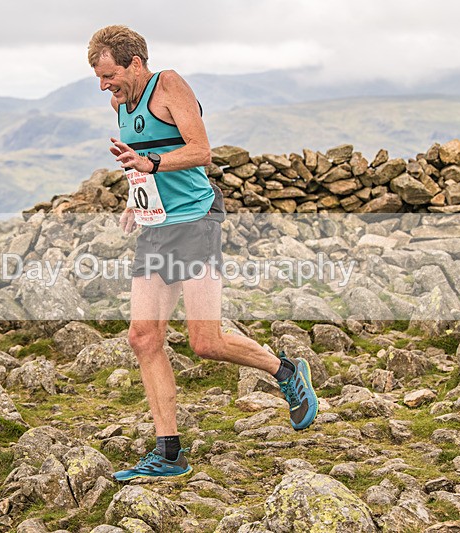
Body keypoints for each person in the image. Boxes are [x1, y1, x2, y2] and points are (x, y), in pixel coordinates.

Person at [88, 25, 318, 481]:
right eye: (98, 78)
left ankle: (286, 372)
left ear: (136, 63)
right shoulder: (119, 104)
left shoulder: (168, 85)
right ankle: (169, 454)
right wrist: (137, 200)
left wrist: (152, 164)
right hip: (156, 226)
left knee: (205, 342)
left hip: (196, 220)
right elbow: (140, 161)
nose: (104, 86)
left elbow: (201, 151)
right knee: (143, 337)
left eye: (109, 75)